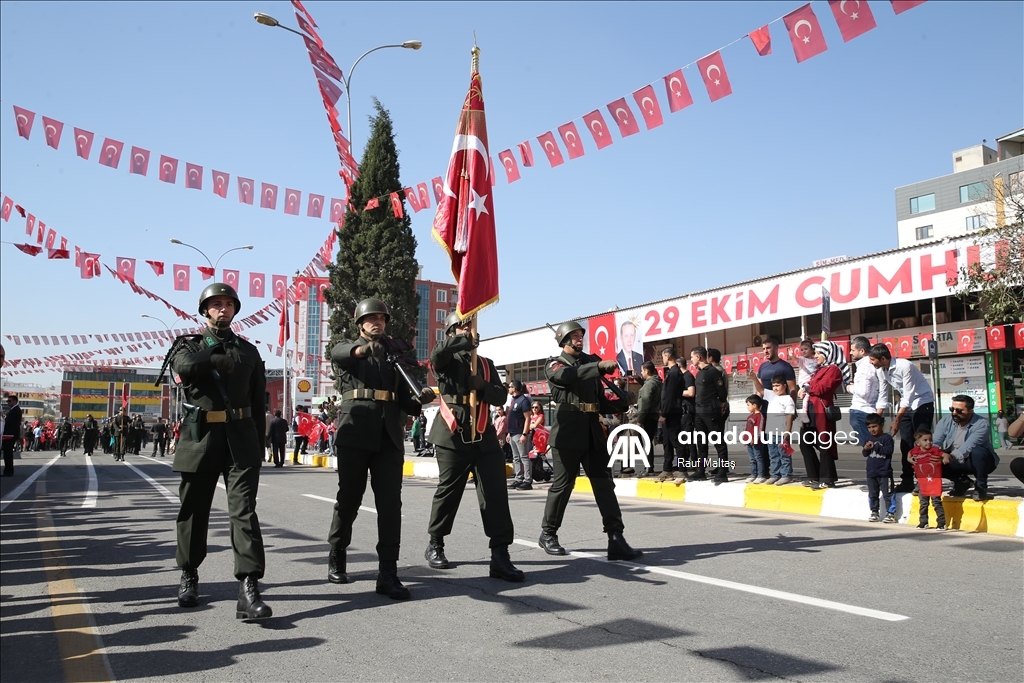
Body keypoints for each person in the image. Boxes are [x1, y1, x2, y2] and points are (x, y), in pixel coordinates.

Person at [166, 282, 271, 620]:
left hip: (241, 437)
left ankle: (249, 586)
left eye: (228, 304)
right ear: (205, 310)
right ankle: (189, 574)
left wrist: (259, 444)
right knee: (194, 510)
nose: (223, 309)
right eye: (216, 304)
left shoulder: (248, 352)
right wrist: (211, 356)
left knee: (244, 512)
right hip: (201, 437)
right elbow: (183, 368)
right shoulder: (188, 346)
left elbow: (258, 403)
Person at [325, 298, 429, 600]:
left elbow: (403, 400)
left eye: (381, 319)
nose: (377, 323)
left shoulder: (393, 357)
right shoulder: (348, 350)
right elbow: (342, 353)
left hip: (388, 436)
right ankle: (337, 551)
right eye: (371, 319)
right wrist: (364, 350)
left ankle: (388, 572)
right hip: (355, 433)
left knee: (389, 505)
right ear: (360, 323)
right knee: (349, 499)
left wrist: (418, 400)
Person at [423, 312, 523, 582]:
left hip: (483, 435)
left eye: (470, 325)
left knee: (495, 494)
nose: (468, 329)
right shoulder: (445, 358)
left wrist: (483, 387)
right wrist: (462, 341)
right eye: (461, 326)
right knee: (449, 491)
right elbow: (437, 356)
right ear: (452, 331)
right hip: (452, 435)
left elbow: (501, 395)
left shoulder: (486, 364)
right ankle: (436, 543)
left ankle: (500, 555)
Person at [539, 321, 642, 561]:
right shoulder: (555, 364)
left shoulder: (587, 363)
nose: (579, 339)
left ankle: (616, 538)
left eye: (580, 335)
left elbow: (599, 402)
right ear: (563, 340)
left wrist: (621, 402)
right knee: (563, 486)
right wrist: (596, 366)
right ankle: (548, 533)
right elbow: (566, 376)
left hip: (592, 433)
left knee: (604, 485)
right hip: (568, 432)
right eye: (574, 336)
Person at [868, 343, 935, 493]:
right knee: (906, 445)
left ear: (883, 358)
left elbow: (909, 395)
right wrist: (876, 420)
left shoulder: (905, 366)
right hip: (907, 405)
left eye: (872, 359)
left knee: (921, 443)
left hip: (922, 402)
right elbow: (883, 395)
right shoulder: (881, 371)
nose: (870, 362)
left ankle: (924, 480)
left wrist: (897, 419)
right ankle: (907, 480)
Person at [932, 394, 999, 501]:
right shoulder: (946, 420)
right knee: (929, 457)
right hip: (954, 459)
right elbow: (935, 442)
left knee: (978, 451)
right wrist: (935, 454)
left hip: (978, 461)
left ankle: (981, 487)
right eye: (952, 409)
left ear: (970, 411)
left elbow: (969, 446)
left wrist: (950, 456)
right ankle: (961, 482)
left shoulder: (982, 424)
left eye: (959, 411)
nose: (954, 413)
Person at [801, 341, 849, 490]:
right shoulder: (819, 369)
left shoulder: (834, 369)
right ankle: (814, 476)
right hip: (811, 410)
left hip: (822, 411)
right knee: (805, 443)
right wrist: (807, 387)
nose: (815, 356)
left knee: (824, 444)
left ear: (827, 354)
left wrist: (808, 388)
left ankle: (827, 479)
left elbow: (822, 388)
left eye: (818, 353)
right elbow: (811, 385)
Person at [688, 346, 729, 485]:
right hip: (699, 412)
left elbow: (722, 391)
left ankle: (723, 471)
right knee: (701, 442)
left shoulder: (713, 371)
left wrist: (722, 404)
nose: (691, 359)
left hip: (711, 411)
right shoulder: (699, 373)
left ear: (699, 357)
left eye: (692, 356)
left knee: (718, 441)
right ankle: (701, 470)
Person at [847, 336, 890, 451]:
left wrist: (850, 388)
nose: (850, 353)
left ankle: (876, 467)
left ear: (862, 351)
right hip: (871, 409)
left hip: (861, 410)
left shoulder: (864, 367)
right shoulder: (873, 364)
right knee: (876, 445)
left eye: (853, 350)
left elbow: (863, 392)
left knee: (870, 447)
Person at [658, 349, 687, 481]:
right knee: (667, 442)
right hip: (668, 411)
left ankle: (682, 470)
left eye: (663, 356)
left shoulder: (675, 372)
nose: (662, 359)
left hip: (672, 412)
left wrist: (665, 413)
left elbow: (670, 395)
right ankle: (667, 469)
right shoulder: (671, 372)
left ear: (668, 356)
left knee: (676, 441)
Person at [909, 429, 946, 530]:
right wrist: (910, 459)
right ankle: (923, 522)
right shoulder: (915, 451)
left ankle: (941, 523)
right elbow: (909, 454)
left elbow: (942, 454)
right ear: (918, 443)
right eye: (925, 440)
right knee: (923, 503)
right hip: (922, 482)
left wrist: (945, 458)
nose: (928, 442)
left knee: (936, 502)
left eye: (930, 440)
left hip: (934, 481)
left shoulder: (934, 450)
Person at [862, 413, 895, 523]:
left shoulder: (887, 438)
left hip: (884, 472)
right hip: (871, 472)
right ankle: (874, 512)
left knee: (887, 494)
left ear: (881, 425)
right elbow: (865, 454)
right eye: (869, 427)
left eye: (874, 426)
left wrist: (876, 446)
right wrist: (866, 448)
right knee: (873, 494)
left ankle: (890, 513)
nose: (872, 429)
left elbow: (888, 451)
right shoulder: (868, 438)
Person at [765, 375, 795, 486]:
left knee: (784, 455)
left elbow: (789, 415)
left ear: (784, 386)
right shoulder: (772, 396)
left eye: (777, 386)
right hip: (770, 432)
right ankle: (775, 474)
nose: (775, 388)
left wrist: (788, 431)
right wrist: (754, 379)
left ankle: (786, 475)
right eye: (773, 386)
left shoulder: (788, 399)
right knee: (773, 455)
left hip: (781, 432)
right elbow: (760, 390)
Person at [506, 380, 533, 490]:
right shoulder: (513, 400)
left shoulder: (523, 401)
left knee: (524, 457)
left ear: (515, 388)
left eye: (510, 387)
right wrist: (508, 433)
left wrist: (524, 434)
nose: (508, 388)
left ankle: (527, 480)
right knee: (515, 457)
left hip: (520, 433)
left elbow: (527, 418)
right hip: (512, 433)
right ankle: (518, 478)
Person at [635, 361, 662, 473]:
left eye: (642, 371)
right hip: (653, 414)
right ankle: (649, 466)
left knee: (645, 442)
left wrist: (640, 420)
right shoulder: (656, 382)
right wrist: (639, 380)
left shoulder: (649, 384)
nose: (642, 373)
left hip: (647, 416)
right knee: (648, 441)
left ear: (647, 371)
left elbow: (645, 403)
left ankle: (648, 466)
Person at [743, 395, 767, 483]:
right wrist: (745, 438)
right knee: (752, 459)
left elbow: (760, 428)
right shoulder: (750, 417)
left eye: (748, 405)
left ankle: (761, 475)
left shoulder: (759, 416)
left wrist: (755, 438)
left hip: (756, 442)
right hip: (749, 441)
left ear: (755, 405)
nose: (747, 407)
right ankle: (753, 474)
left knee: (758, 458)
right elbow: (747, 429)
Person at [2, 394, 21, 477]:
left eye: (9, 401)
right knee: (7, 453)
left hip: (10, 434)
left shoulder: (15, 410)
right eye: (7, 401)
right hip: (10, 434)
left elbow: (8, 422)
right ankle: (8, 470)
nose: (8, 403)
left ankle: (8, 471)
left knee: (8, 453)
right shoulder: (14, 410)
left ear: (14, 401)